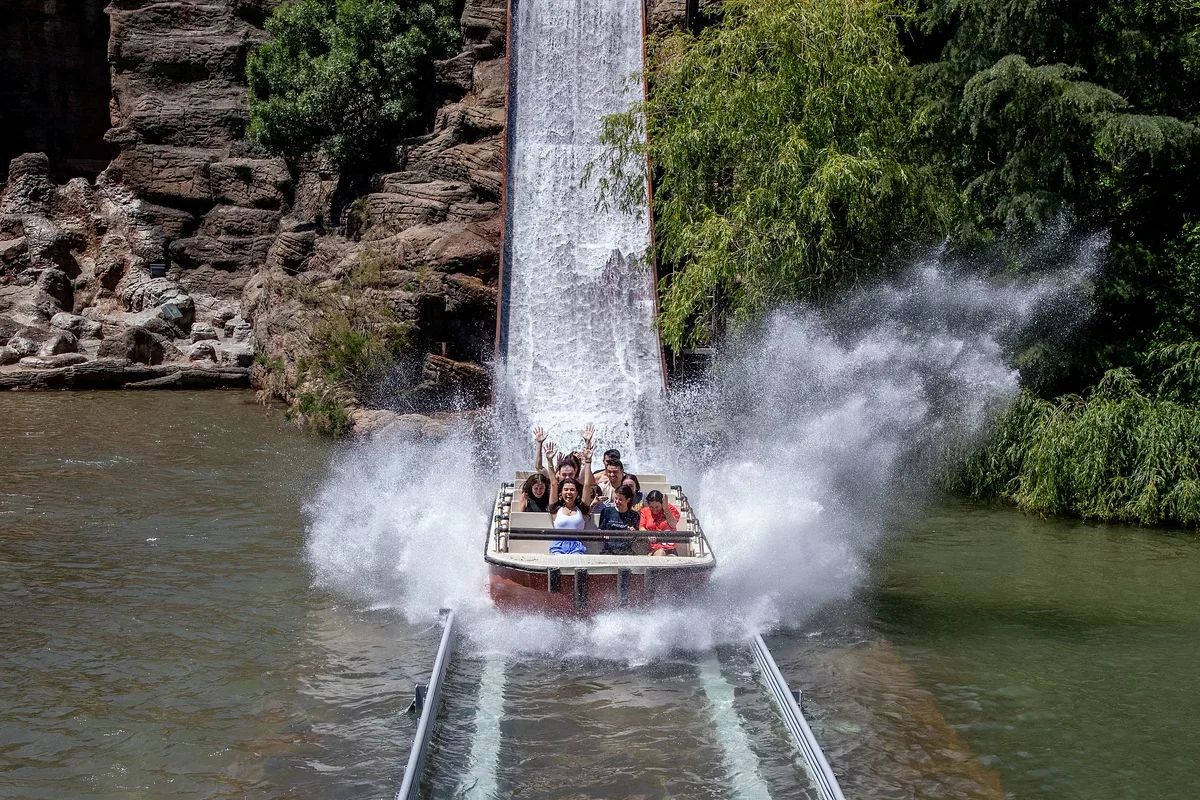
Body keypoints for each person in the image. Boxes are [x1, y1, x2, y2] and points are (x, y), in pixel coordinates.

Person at [548, 477, 588, 555]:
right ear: (561, 492)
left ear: (577, 493)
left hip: (576, 546)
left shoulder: (582, 510)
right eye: (566, 489)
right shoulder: (555, 509)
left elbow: (587, 485)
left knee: (576, 559)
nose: (569, 492)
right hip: (558, 546)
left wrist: (588, 467)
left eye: (572, 490)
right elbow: (553, 484)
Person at [598, 485, 640, 555]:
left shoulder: (634, 515)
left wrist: (633, 532)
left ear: (628, 500)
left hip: (626, 551)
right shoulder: (606, 511)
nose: (617, 501)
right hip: (609, 550)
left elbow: (636, 536)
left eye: (620, 499)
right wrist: (603, 533)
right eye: (616, 498)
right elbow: (600, 529)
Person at [639, 489, 680, 556]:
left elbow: (673, 524)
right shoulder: (644, 511)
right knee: (660, 552)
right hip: (654, 549)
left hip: (670, 549)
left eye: (657, 507)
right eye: (651, 507)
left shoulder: (669, 508)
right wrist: (648, 534)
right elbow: (641, 527)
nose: (654, 510)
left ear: (662, 503)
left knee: (670, 557)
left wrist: (666, 509)